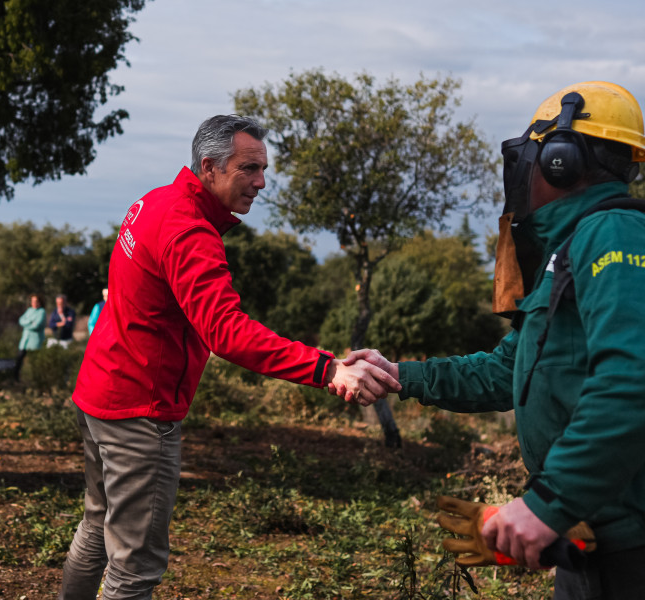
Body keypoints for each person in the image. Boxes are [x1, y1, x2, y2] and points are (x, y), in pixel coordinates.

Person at [337, 82, 645, 599]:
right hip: (595, 526)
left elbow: (641, 377)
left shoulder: (618, 235)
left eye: (531, 157)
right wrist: (402, 375)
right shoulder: (573, 251)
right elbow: (507, 368)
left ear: (560, 159)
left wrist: (546, 503)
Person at [58, 115, 399, 600]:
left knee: (96, 527)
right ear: (210, 167)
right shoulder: (189, 233)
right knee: (135, 566)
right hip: (139, 413)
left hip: (99, 394)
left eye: (263, 169)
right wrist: (327, 368)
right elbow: (227, 332)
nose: (261, 182)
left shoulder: (152, 202)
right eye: (249, 169)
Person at [13, 293, 46, 380]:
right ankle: (16, 379)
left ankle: (35, 379)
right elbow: (21, 320)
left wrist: (26, 324)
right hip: (25, 341)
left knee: (34, 361)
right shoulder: (29, 310)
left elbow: (36, 326)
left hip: (35, 341)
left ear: (39, 302)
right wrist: (30, 321)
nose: (34, 303)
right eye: (32, 301)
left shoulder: (42, 312)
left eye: (36, 301)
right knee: (19, 359)